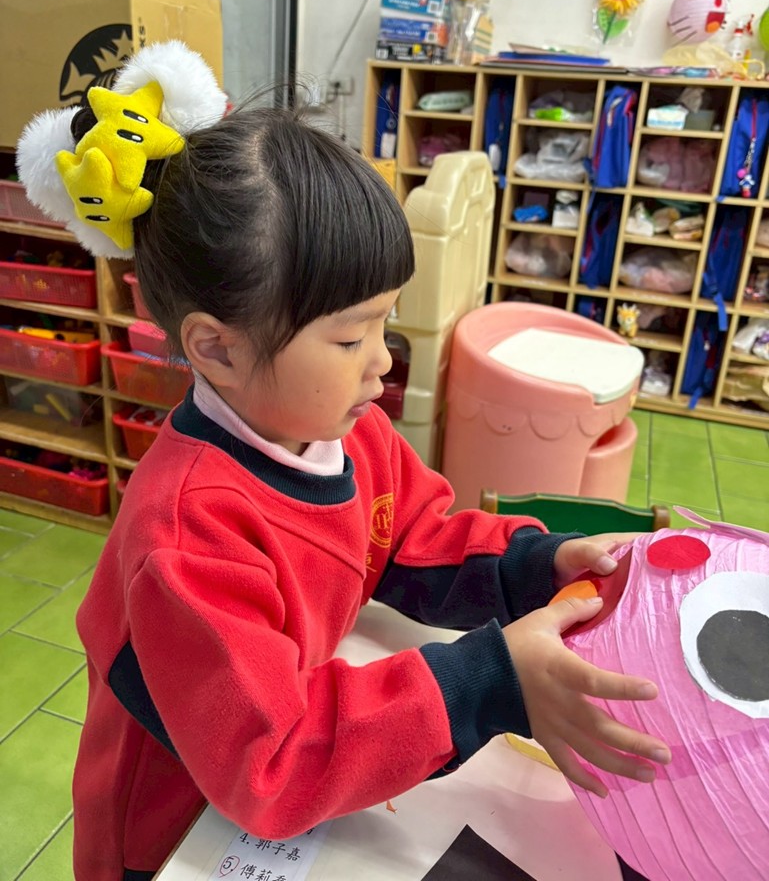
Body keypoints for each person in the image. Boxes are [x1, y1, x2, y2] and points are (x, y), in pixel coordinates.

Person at [17, 43, 671, 881]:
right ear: (216, 349)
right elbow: (271, 761)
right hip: (176, 834)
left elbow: (417, 538)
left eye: (384, 323)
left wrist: (536, 567)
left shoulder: (345, 431)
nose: (383, 361)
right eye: (350, 336)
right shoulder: (186, 537)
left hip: (285, 788)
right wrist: (490, 679)